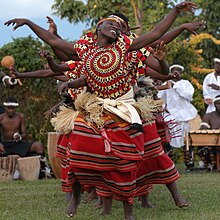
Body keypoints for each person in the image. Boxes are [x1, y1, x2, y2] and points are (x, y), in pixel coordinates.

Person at [5, 2, 196, 219]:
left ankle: (129, 210)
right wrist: (29, 23)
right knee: (76, 151)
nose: (115, 27)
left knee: (126, 161)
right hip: (96, 110)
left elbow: (156, 34)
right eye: (110, 24)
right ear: (98, 28)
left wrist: (176, 13)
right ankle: (77, 196)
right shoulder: (86, 51)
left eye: (118, 25)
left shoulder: (127, 48)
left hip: (124, 110)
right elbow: (54, 44)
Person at [158, 64, 198, 171]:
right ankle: (169, 165)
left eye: (178, 71)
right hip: (171, 118)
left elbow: (188, 95)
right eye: (174, 71)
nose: (176, 73)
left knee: (187, 142)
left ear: (182, 73)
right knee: (168, 142)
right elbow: (159, 99)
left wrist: (175, 86)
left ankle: (189, 164)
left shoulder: (185, 84)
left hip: (185, 117)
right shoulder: (166, 84)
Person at [0, 96, 46, 178]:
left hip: (18, 144)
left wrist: (19, 137)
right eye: (9, 108)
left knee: (38, 146)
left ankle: (42, 171)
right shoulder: (1, 118)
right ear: (5, 108)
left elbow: (25, 135)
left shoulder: (20, 117)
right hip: (5, 145)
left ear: (16, 108)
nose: (11, 110)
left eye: (13, 108)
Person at [198, 95, 220, 171]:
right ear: (214, 105)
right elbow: (202, 130)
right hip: (213, 143)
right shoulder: (209, 116)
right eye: (219, 103)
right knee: (201, 145)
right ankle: (211, 165)